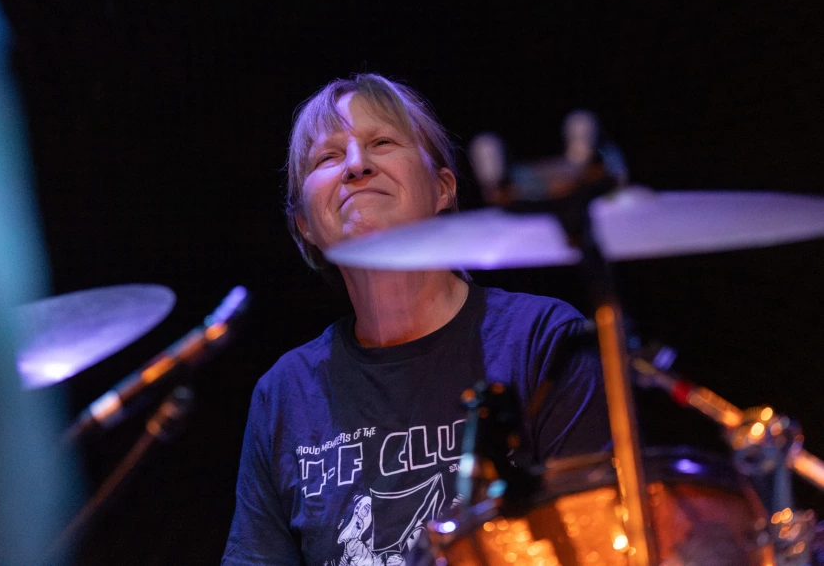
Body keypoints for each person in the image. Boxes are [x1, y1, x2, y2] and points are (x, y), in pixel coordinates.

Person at [221, 73, 610, 565]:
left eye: (382, 142)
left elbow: (597, 543)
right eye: (328, 157)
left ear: (442, 188)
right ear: (304, 225)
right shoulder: (284, 394)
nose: (357, 166)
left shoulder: (543, 341)